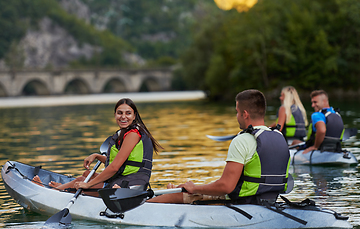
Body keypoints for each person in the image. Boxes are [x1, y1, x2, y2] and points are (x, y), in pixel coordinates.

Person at [149, 89, 291, 204]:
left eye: (237, 111)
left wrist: (193, 188)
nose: (237, 116)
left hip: (244, 201)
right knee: (191, 188)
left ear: (245, 114)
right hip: (270, 200)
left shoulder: (243, 140)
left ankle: (145, 205)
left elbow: (226, 187)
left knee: (181, 194)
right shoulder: (279, 137)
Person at [33, 98, 162, 195]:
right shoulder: (124, 134)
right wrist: (96, 156)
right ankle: (59, 188)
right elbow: (123, 163)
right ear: (115, 115)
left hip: (129, 187)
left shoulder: (133, 134)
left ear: (134, 116)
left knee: (82, 181)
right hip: (125, 180)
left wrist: (88, 185)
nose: (123, 117)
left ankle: (53, 192)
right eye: (119, 113)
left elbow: (115, 167)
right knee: (86, 174)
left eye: (128, 113)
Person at [295, 90, 344, 154]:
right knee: (295, 142)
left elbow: (322, 130)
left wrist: (315, 147)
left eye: (315, 102)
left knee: (295, 142)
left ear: (324, 101)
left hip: (319, 148)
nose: (312, 105)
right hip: (335, 148)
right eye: (312, 102)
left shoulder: (317, 115)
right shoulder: (336, 114)